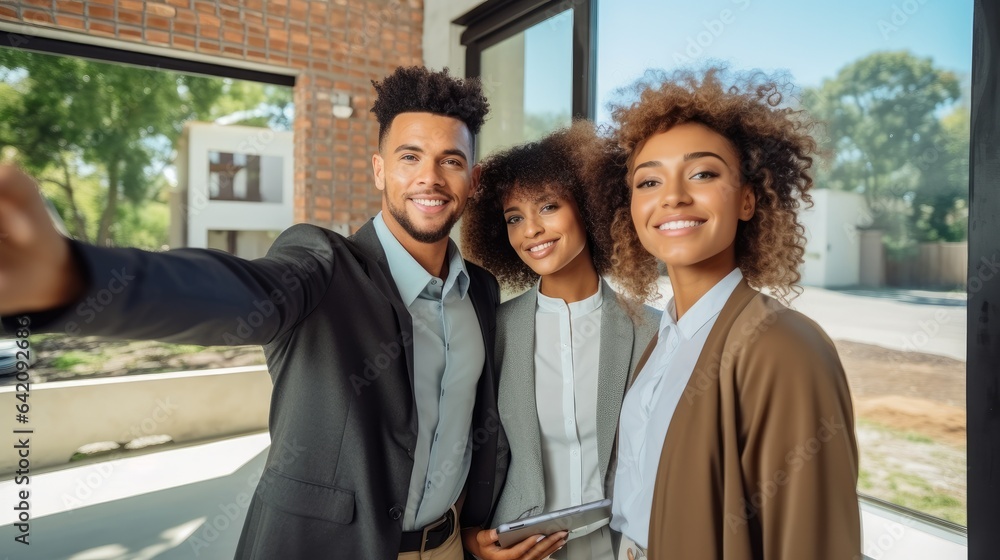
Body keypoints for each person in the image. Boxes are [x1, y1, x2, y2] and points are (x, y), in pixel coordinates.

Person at [0, 66, 504, 560]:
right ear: (379, 169)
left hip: (449, 545)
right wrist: (73, 278)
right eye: (410, 156)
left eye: (450, 161)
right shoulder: (324, 266)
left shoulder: (480, 292)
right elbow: (237, 293)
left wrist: (477, 527)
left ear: (472, 178)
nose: (429, 178)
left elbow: (472, 429)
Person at [605, 68, 862, 560]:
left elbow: (813, 542)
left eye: (702, 173)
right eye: (649, 180)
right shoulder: (665, 336)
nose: (672, 196)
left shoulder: (783, 346)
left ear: (748, 199)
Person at [459, 122, 659, 560]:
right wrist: (472, 538)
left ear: (588, 208)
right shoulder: (495, 329)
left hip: (623, 546)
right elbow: (474, 448)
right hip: (522, 550)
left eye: (548, 206)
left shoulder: (654, 331)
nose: (530, 230)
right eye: (515, 217)